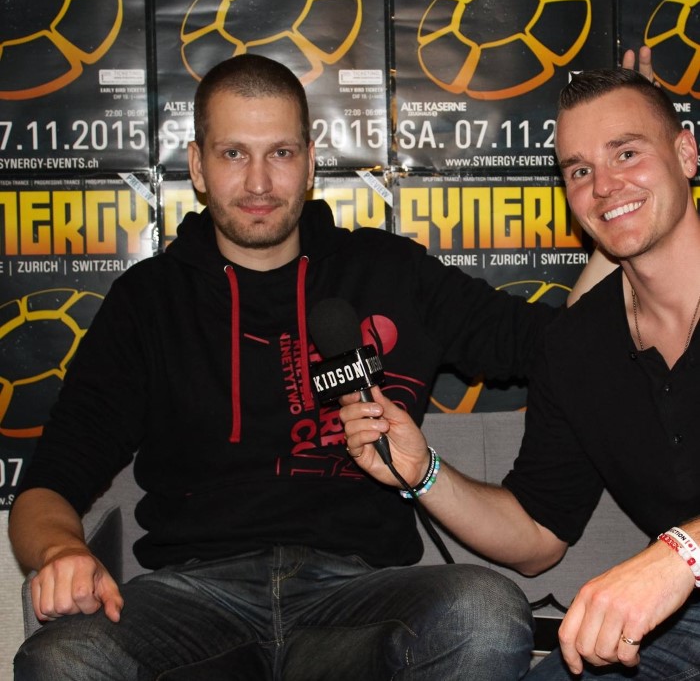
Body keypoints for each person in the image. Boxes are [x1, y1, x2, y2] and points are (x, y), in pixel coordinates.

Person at [9, 53, 549, 680]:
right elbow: (49, 483)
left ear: (311, 162)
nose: (259, 183)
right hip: (192, 602)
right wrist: (61, 549)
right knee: (62, 658)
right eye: (234, 154)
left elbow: (556, 343)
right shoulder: (149, 300)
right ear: (198, 166)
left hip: (358, 595)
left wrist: (631, 248)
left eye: (281, 153)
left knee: (483, 612)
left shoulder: (388, 270)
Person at [340, 66, 700, 680]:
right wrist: (423, 472)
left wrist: (680, 554)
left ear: (686, 153)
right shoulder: (575, 346)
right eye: (579, 171)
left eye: (627, 153)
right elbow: (537, 535)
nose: (605, 186)